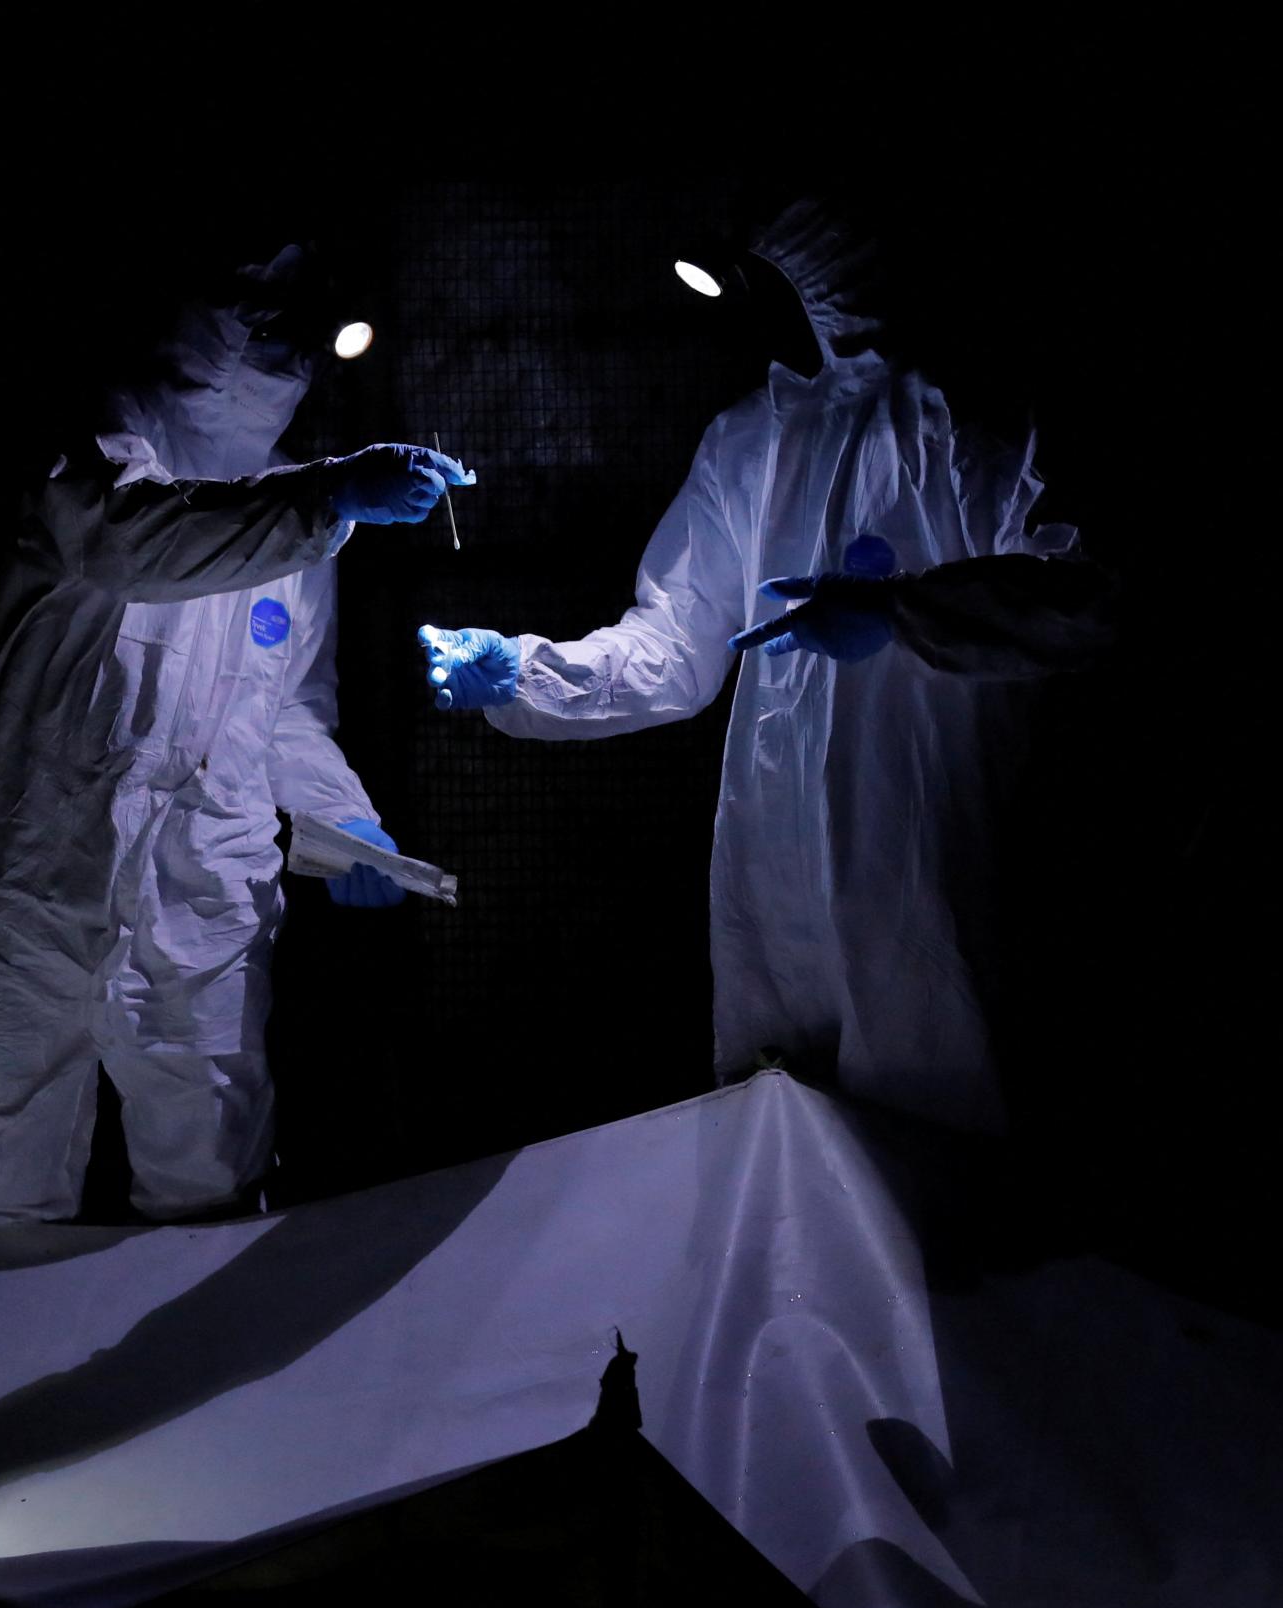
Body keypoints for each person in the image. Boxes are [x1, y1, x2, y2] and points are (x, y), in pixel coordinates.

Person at [419, 201, 1106, 1134]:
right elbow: (673, 644)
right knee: (790, 1175)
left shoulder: (976, 418)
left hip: (930, 871)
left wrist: (903, 613)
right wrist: (525, 671)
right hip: (774, 895)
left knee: (945, 1179)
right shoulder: (754, 438)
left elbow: (1086, 599)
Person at [0, 250, 474, 1224]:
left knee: (210, 1183)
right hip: (40, 880)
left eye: (298, 331)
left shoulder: (298, 511)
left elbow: (286, 711)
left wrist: (348, 826)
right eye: (261, 321)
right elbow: (134, 543)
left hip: (205, 892)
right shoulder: (94, 450)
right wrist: (328, 498)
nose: (287, 351)